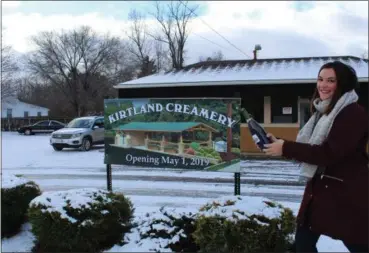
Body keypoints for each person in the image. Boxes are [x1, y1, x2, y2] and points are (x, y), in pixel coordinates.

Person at [262, 61, 369, 253]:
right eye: (320, 79)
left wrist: (285, 148)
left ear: (342, 84)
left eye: (330, 80)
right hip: (319, 191)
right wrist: (278, 142)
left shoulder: (353, 113)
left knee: (358, 244)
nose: (323, 85)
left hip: (346, 195)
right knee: (303, 244)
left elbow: (329, 153)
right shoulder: (323, 111)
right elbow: (309, 148)